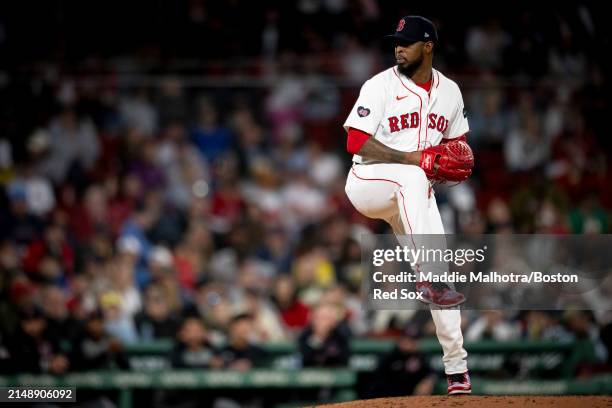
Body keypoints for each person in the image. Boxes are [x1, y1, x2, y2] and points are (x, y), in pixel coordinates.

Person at [343, 16, 472, 394]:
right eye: (396, 41)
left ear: (428, 46)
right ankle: (427, 277)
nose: (398, 47)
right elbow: (355, 142)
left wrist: (452, 162)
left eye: (407, 42)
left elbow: (459, 147)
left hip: (412, 196)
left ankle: (456, 370)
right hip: (369, 182)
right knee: (414, 176)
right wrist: (419, 159)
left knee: (441, 270)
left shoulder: (450, 92)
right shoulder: (379, 85)